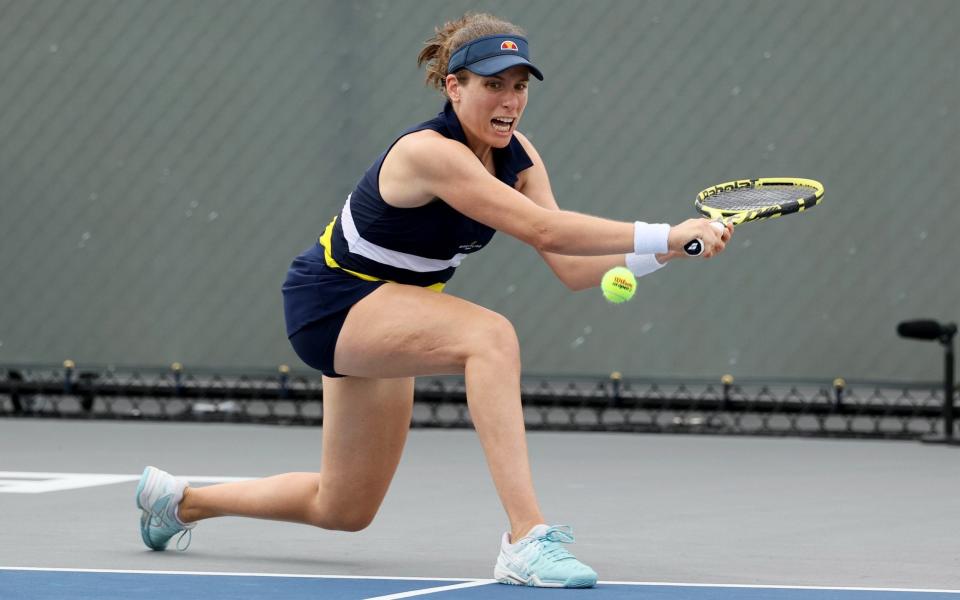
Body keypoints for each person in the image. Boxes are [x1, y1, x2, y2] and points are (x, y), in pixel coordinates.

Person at [135, 12, 731, 588]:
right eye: (493, 85)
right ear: (454, 87)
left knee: (344, 507)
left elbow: (572, 268)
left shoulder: (518, 159)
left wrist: (675, 250)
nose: (510, 101)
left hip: (393, 311)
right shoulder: (429, 152)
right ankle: (526, 539)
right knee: (490, 337)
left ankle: (179, 503)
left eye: (519, 87)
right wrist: (662, 231)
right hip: (333, 303)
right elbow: (546, 231)